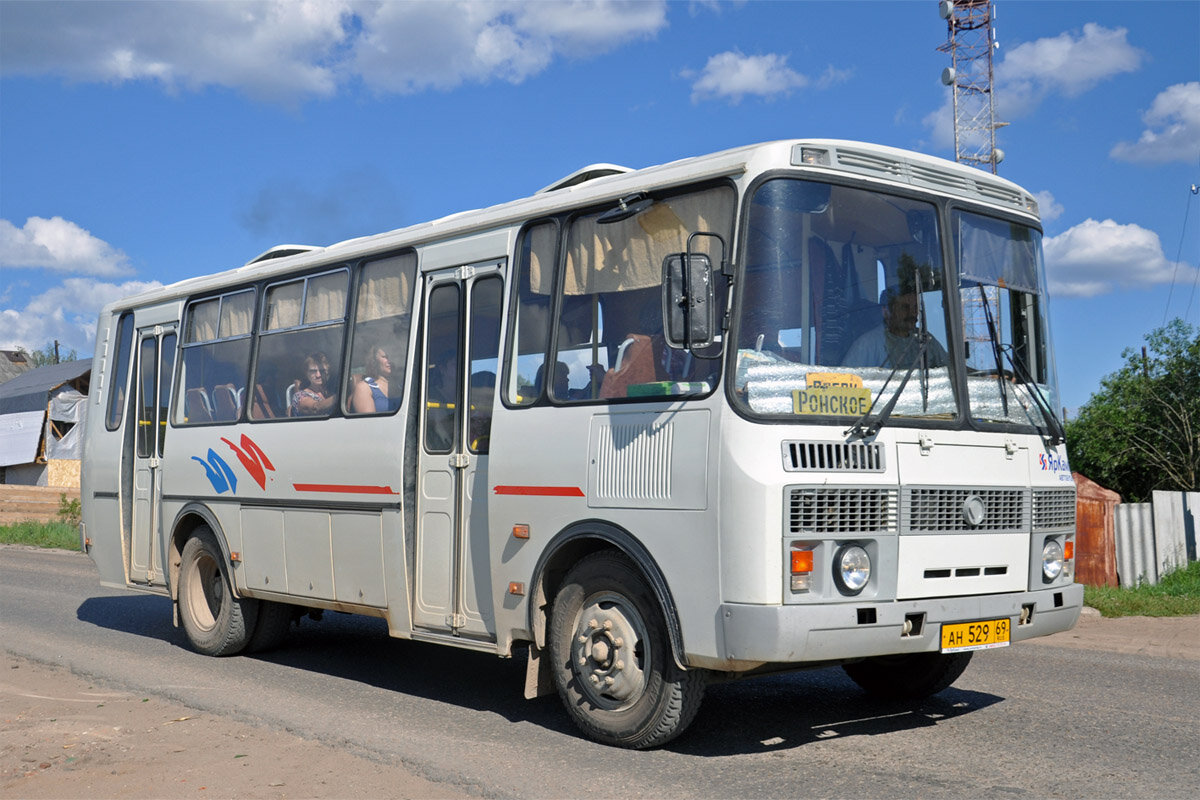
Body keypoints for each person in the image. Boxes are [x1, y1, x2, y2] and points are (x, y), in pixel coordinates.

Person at [843, 286, 948, 369]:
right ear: (886, 312)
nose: (912, 313)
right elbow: (846, 385)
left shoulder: (925, 340)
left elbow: (950, 369)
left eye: (915, 307)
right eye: (904, 307)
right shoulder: (867, 345)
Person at [352, 343, 398, 413]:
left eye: (392, 356)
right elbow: (368, 422)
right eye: (385, 357)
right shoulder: (364, 387)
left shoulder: (404, 385)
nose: (389, 361)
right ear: (374, 361)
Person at [291, 352, 336, 416]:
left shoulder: (330, 393)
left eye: (322, 371)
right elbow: (315, 408)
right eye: (313, 371)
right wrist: (339, 397)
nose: (318, 375)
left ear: (328, 372)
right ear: (306, 373)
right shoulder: (299, 396)